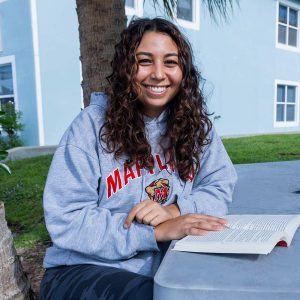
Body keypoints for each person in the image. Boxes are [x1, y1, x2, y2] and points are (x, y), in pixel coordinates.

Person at [39, 17, 237, 300]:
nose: (158, 74)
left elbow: (220, 183)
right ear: (126, 68)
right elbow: (66, 219)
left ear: (184, 71)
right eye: (145, 61)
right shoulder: (91, 127)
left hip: (162, 266)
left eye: (170, 62)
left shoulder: (193, 126)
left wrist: (175, 211)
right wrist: (154, 232)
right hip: (81, 269)